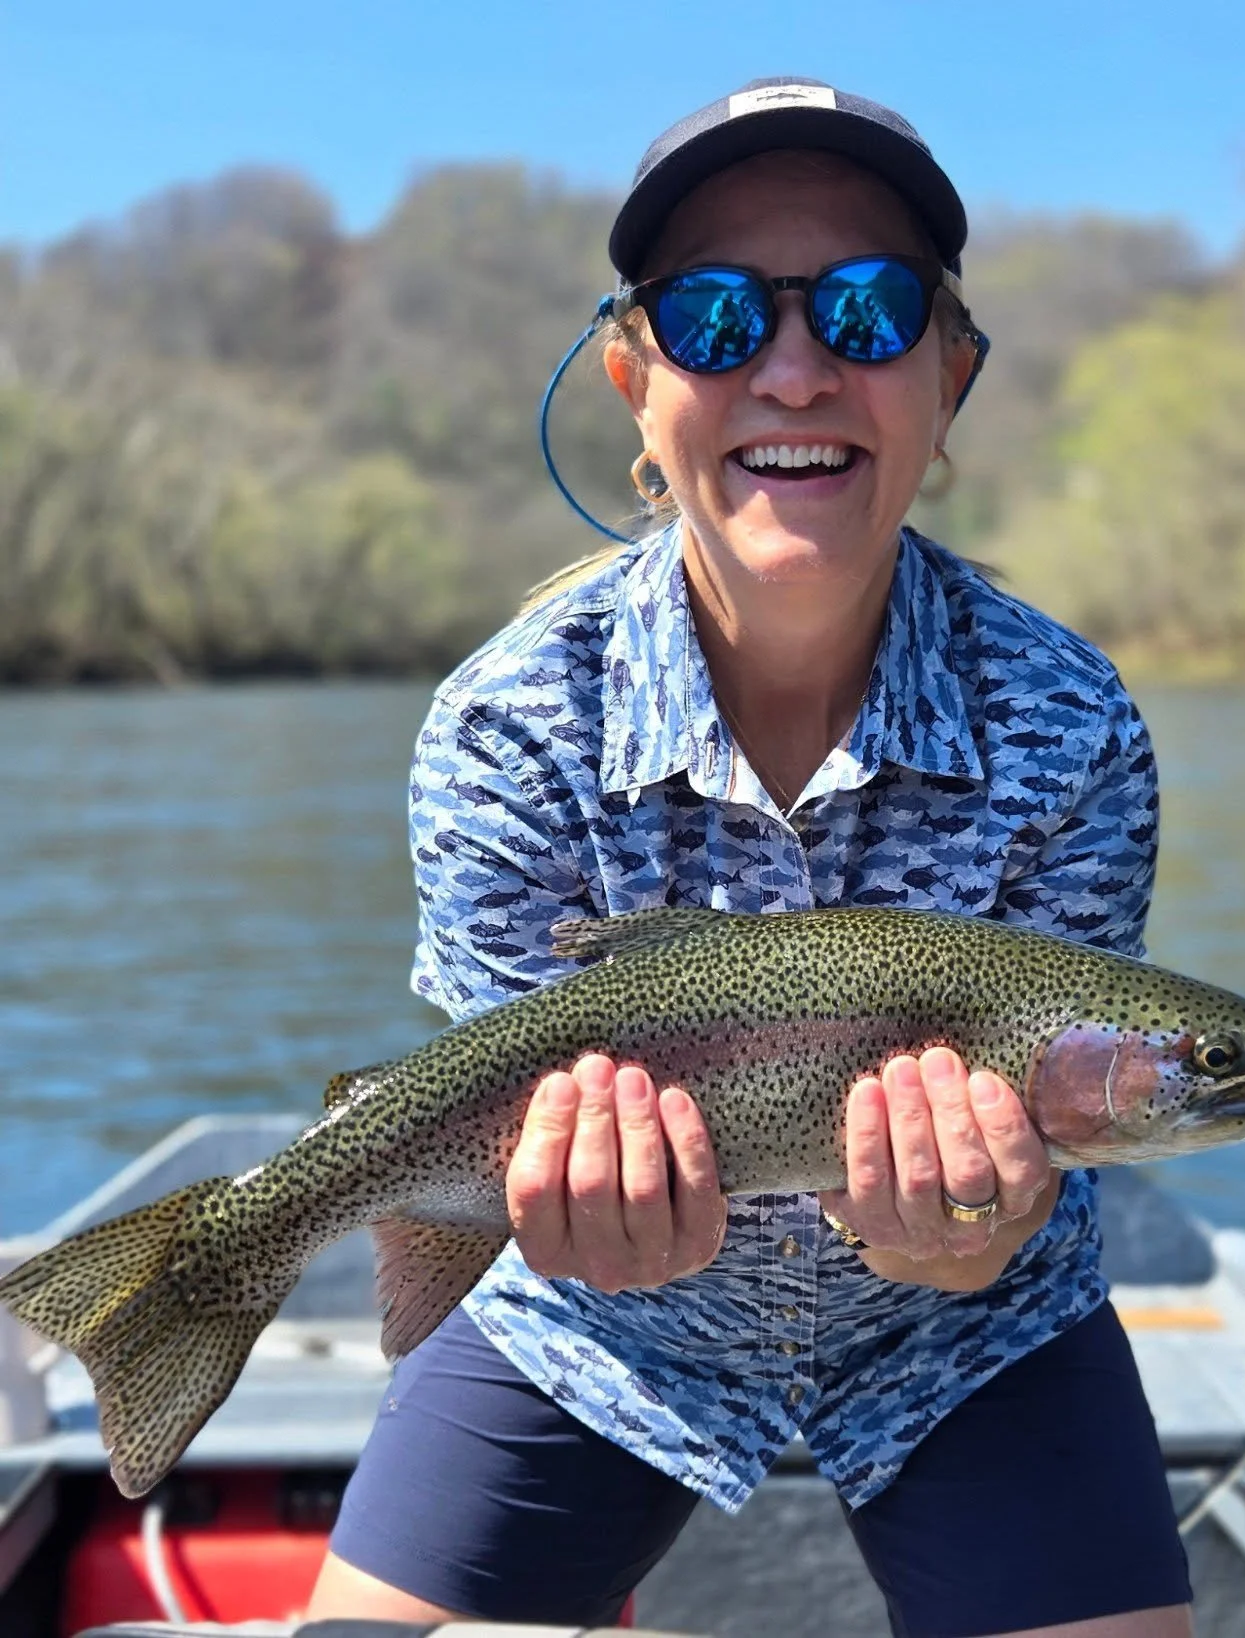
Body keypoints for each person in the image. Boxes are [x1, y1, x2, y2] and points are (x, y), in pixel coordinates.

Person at [308, 77, 1192, 1637]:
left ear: (950, 379)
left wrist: (978, 1232)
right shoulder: (509, 724)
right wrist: (556, 1206)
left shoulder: (1073, 722)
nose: (794, 369)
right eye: (716, 319)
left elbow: (1061, 1154)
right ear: (635, 381)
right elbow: (485, 1096)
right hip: (599, 1325)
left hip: (976, 1337)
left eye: (868, 308)